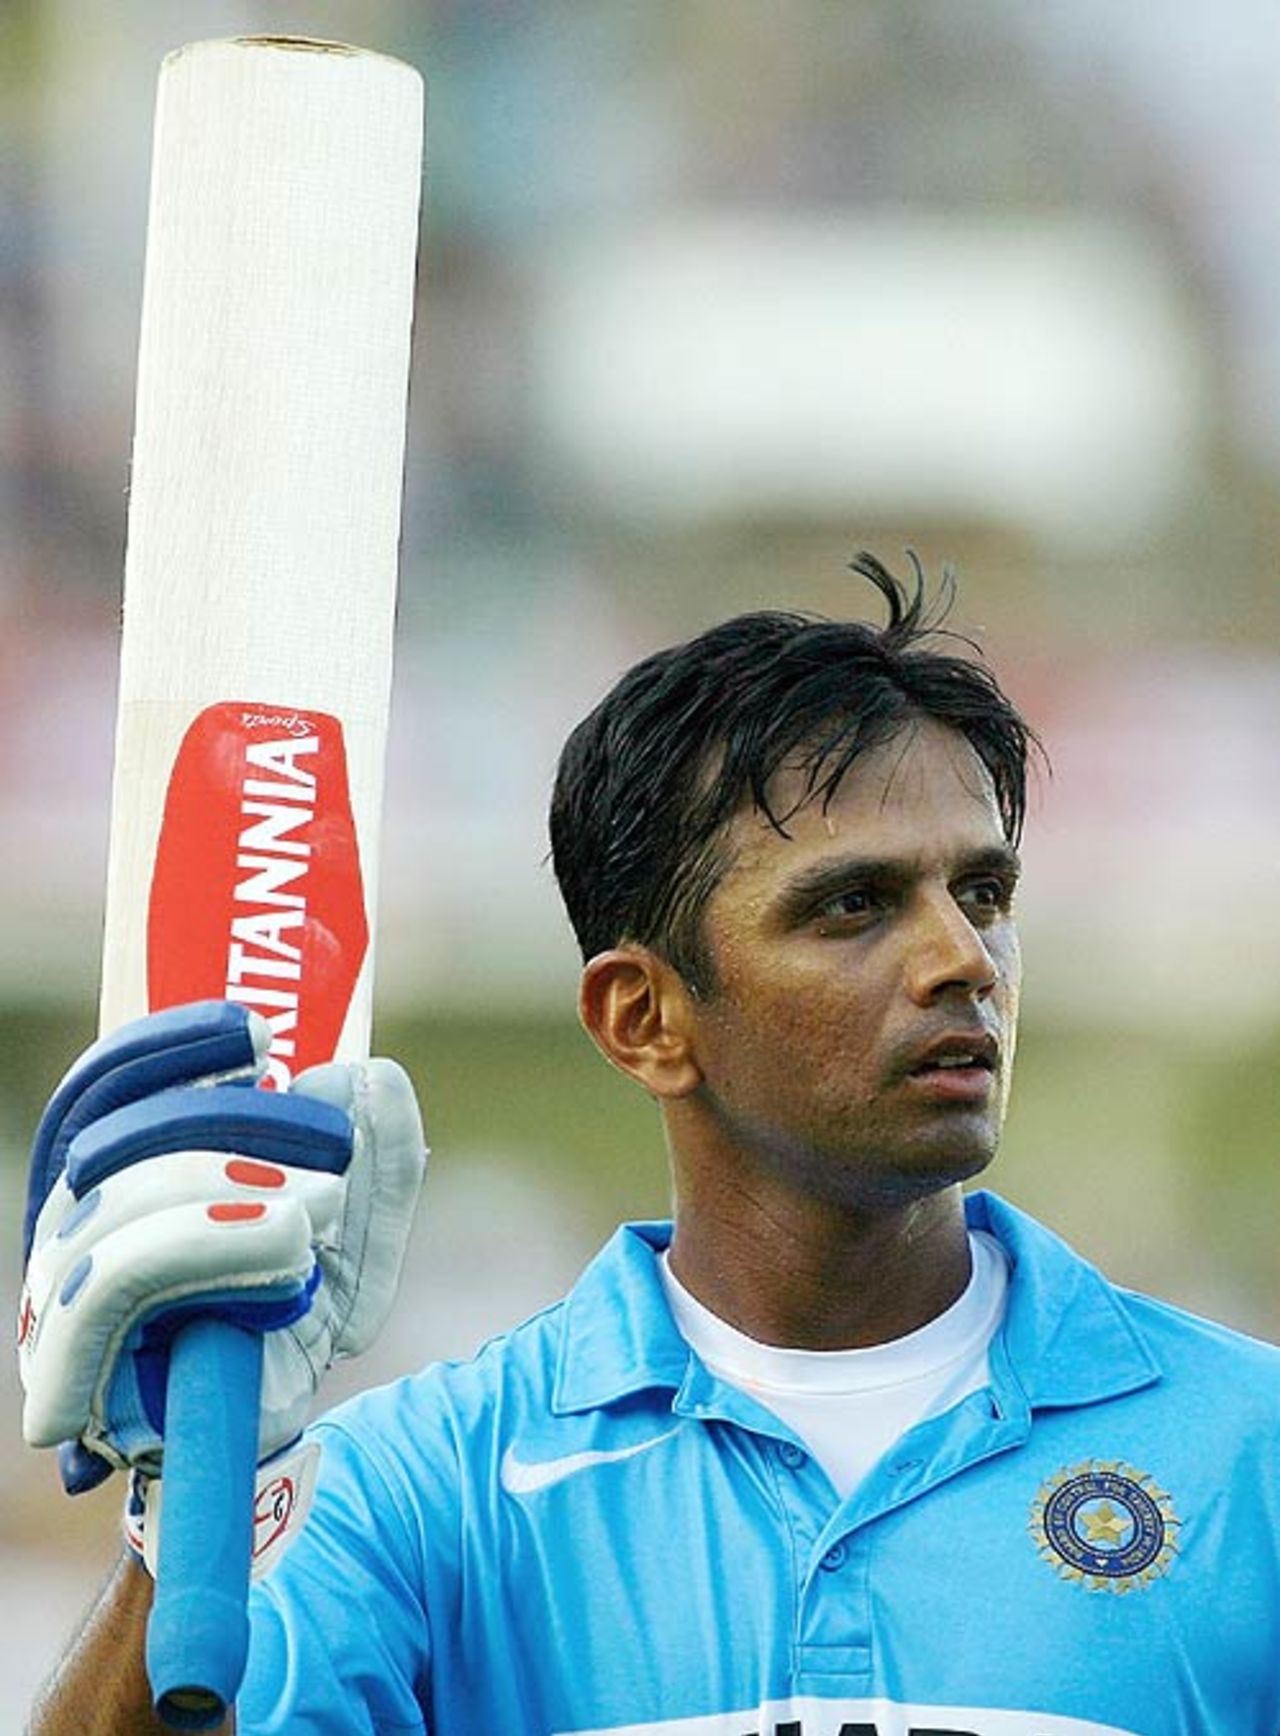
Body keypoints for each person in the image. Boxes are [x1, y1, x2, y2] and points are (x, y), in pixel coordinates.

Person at [19, 554, 1280, 1736]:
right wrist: (187, 1513)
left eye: (983, 893)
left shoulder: (1252, 1446)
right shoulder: (423, 1489)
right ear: (644, 1017)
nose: (961, 958)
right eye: (853, 903)